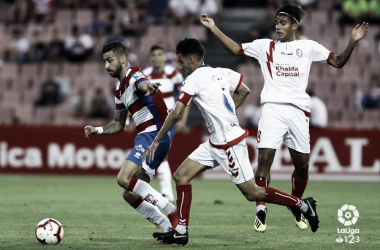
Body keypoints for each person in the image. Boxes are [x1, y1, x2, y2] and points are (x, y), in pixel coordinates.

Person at [200, 3, 368, 232]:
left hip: (298, 112)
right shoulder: (264, 46)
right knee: (265, 160)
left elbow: (337, 62)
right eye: (277, 22)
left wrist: (353, 41)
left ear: (294, 26)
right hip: (272, 109)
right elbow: (235, 50)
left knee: (303, 167)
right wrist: (213, 28)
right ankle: (261, 208)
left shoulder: (308, 47)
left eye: (283, 23)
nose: (278, 27)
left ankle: (296, 205)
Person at [143, 38, 320, 246]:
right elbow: (244, 89)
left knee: (252, 193)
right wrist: (227, 114)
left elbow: (175, 115)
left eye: (181, 62)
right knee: (181, 175)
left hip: (229, 144)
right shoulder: (221, 72)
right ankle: (181, 231)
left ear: (191, 60)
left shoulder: (192, 79)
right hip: (215, 143)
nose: (179, 66)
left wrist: (156, 140)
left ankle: (303, 205)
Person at [84, 41, 178, 238]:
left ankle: (171, 210)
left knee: (123, 179)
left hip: (153, 134)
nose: (106, 66)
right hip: (154, 138)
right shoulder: (119, 90)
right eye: (104, 62)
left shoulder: (133, 73)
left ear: (123, 58)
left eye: (109, 60)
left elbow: (141, 82)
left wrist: (148, 86)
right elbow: (118, 123)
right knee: (130, 193)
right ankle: (169, 228)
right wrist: (98, 130)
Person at [143, 44, 188, 202]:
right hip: (150, 121)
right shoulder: (145, 74)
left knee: (161, 154)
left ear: (164, 57)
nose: (156, 58)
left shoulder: (173, 73)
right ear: (151, 58)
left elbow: (185, 96)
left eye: (159, 55)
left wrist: (182, 119)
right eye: (153, 55)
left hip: (169, 120)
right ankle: (162, 192)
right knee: (154, 154)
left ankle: (166, 192)